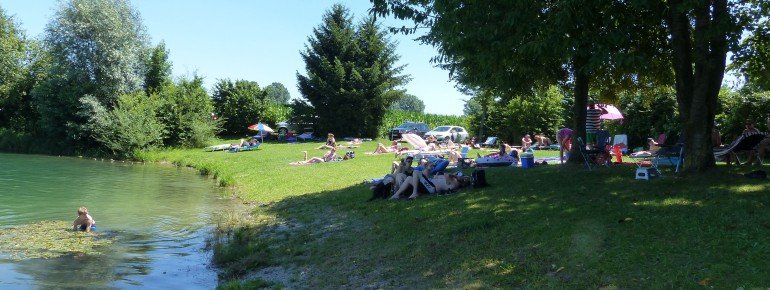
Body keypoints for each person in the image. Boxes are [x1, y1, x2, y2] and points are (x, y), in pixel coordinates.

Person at [390, 163, 469, 199]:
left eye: (460, 176)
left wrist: (454, 175)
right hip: (429, 185)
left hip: (431, 188)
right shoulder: (453, 180)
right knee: (409, 178)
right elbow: (441, 176)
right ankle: (396, 194)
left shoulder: (455, 183)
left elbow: (446, 175)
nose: (458, 175)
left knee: (416, 172)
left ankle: (415, 193)